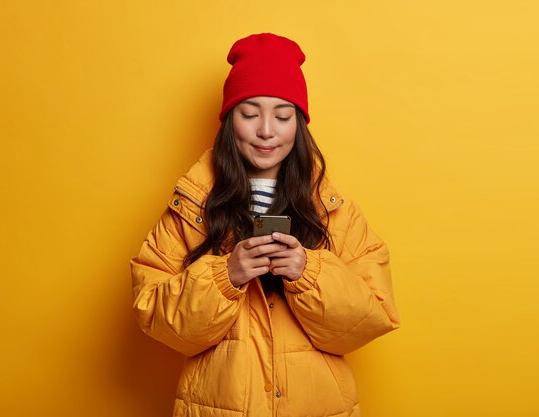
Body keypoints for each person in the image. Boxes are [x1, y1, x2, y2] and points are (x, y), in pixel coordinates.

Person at [131, 33, 400, 417]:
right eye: (250, 113)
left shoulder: (334, 212)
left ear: (299, 124)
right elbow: (155, 316)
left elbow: (371, 318)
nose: (267, 131)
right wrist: (227, 276)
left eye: (283, 115)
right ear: (229, 120)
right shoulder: (190, 208)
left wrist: (309, 273)